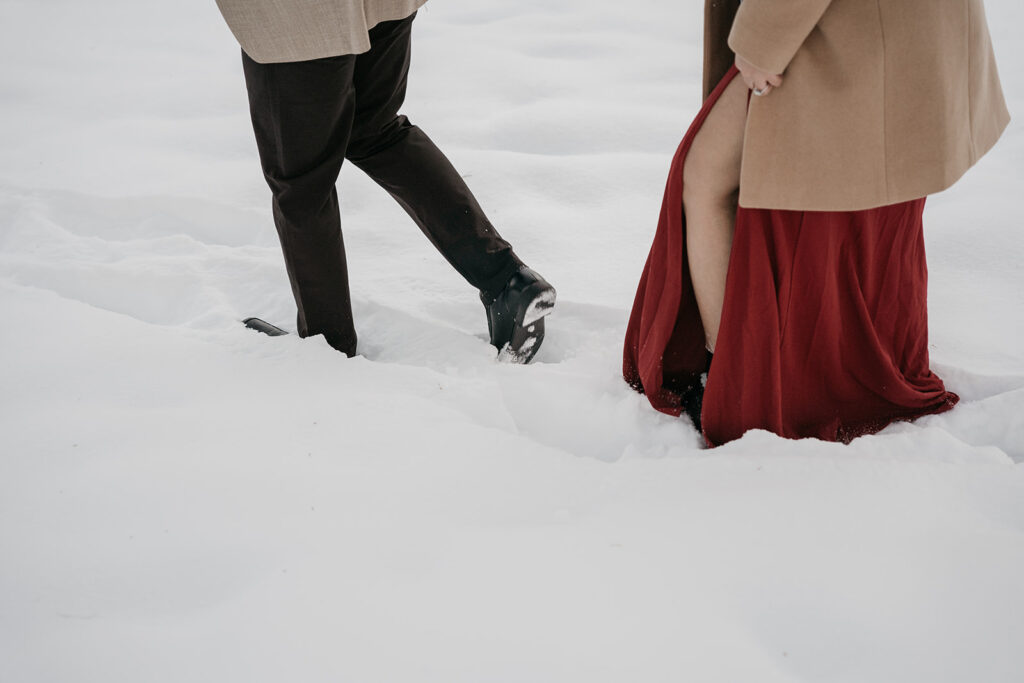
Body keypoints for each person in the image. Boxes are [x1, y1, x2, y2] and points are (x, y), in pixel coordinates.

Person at [624, 0, 1009, 445]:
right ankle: (796, 367)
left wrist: (763, 39)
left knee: (708, 178)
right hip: (897, 29)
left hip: (836, 25)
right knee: (854, 201)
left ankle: (735, 376)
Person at [214, 0, 555, 362]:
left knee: (302, 183)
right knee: (376, 131)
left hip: (300, 17)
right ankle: (506, 281)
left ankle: (327, 348)